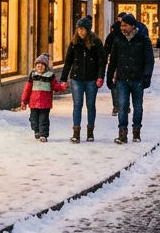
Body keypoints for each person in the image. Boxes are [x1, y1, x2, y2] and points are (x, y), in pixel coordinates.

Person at [105, 12, 155, 144]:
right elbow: (113, 60)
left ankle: (136, 132)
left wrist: (147, 77)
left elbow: (149, 60)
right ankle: (122, 133)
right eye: (121, 25)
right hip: (122, 78)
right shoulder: (118, 40)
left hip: (137, 78)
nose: (122, 28)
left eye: (125, 25)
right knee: (122, 106)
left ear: (132, 26)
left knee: (138, 107)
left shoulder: (143, 39)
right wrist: (109, 77)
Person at [61, 16, 104, 143]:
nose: (80, 32)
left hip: (91, 79)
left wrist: (100, 76)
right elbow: (68, 62)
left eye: (82, 29)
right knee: (77, 105)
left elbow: (102, 60)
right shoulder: (74, 43)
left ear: (88, 30)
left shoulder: (96, 42)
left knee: (90, 105)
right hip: (76, 78)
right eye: (78, 29)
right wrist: (63, 78)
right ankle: (76, 133)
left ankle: (90, 132)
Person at [20, 53, 67, 141]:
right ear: (35, 66)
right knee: (33, 119)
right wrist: (24, 101)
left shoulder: (50, 75)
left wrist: (62, 87)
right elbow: (27, 89)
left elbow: (55, 86)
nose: (40, 66)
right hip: (33, 103)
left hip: (45, 103)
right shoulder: (33, 75)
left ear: (45, 66)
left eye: (42, 65)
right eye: (38, 65)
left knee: (43, 119)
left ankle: (43, 135)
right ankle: (36, 130)